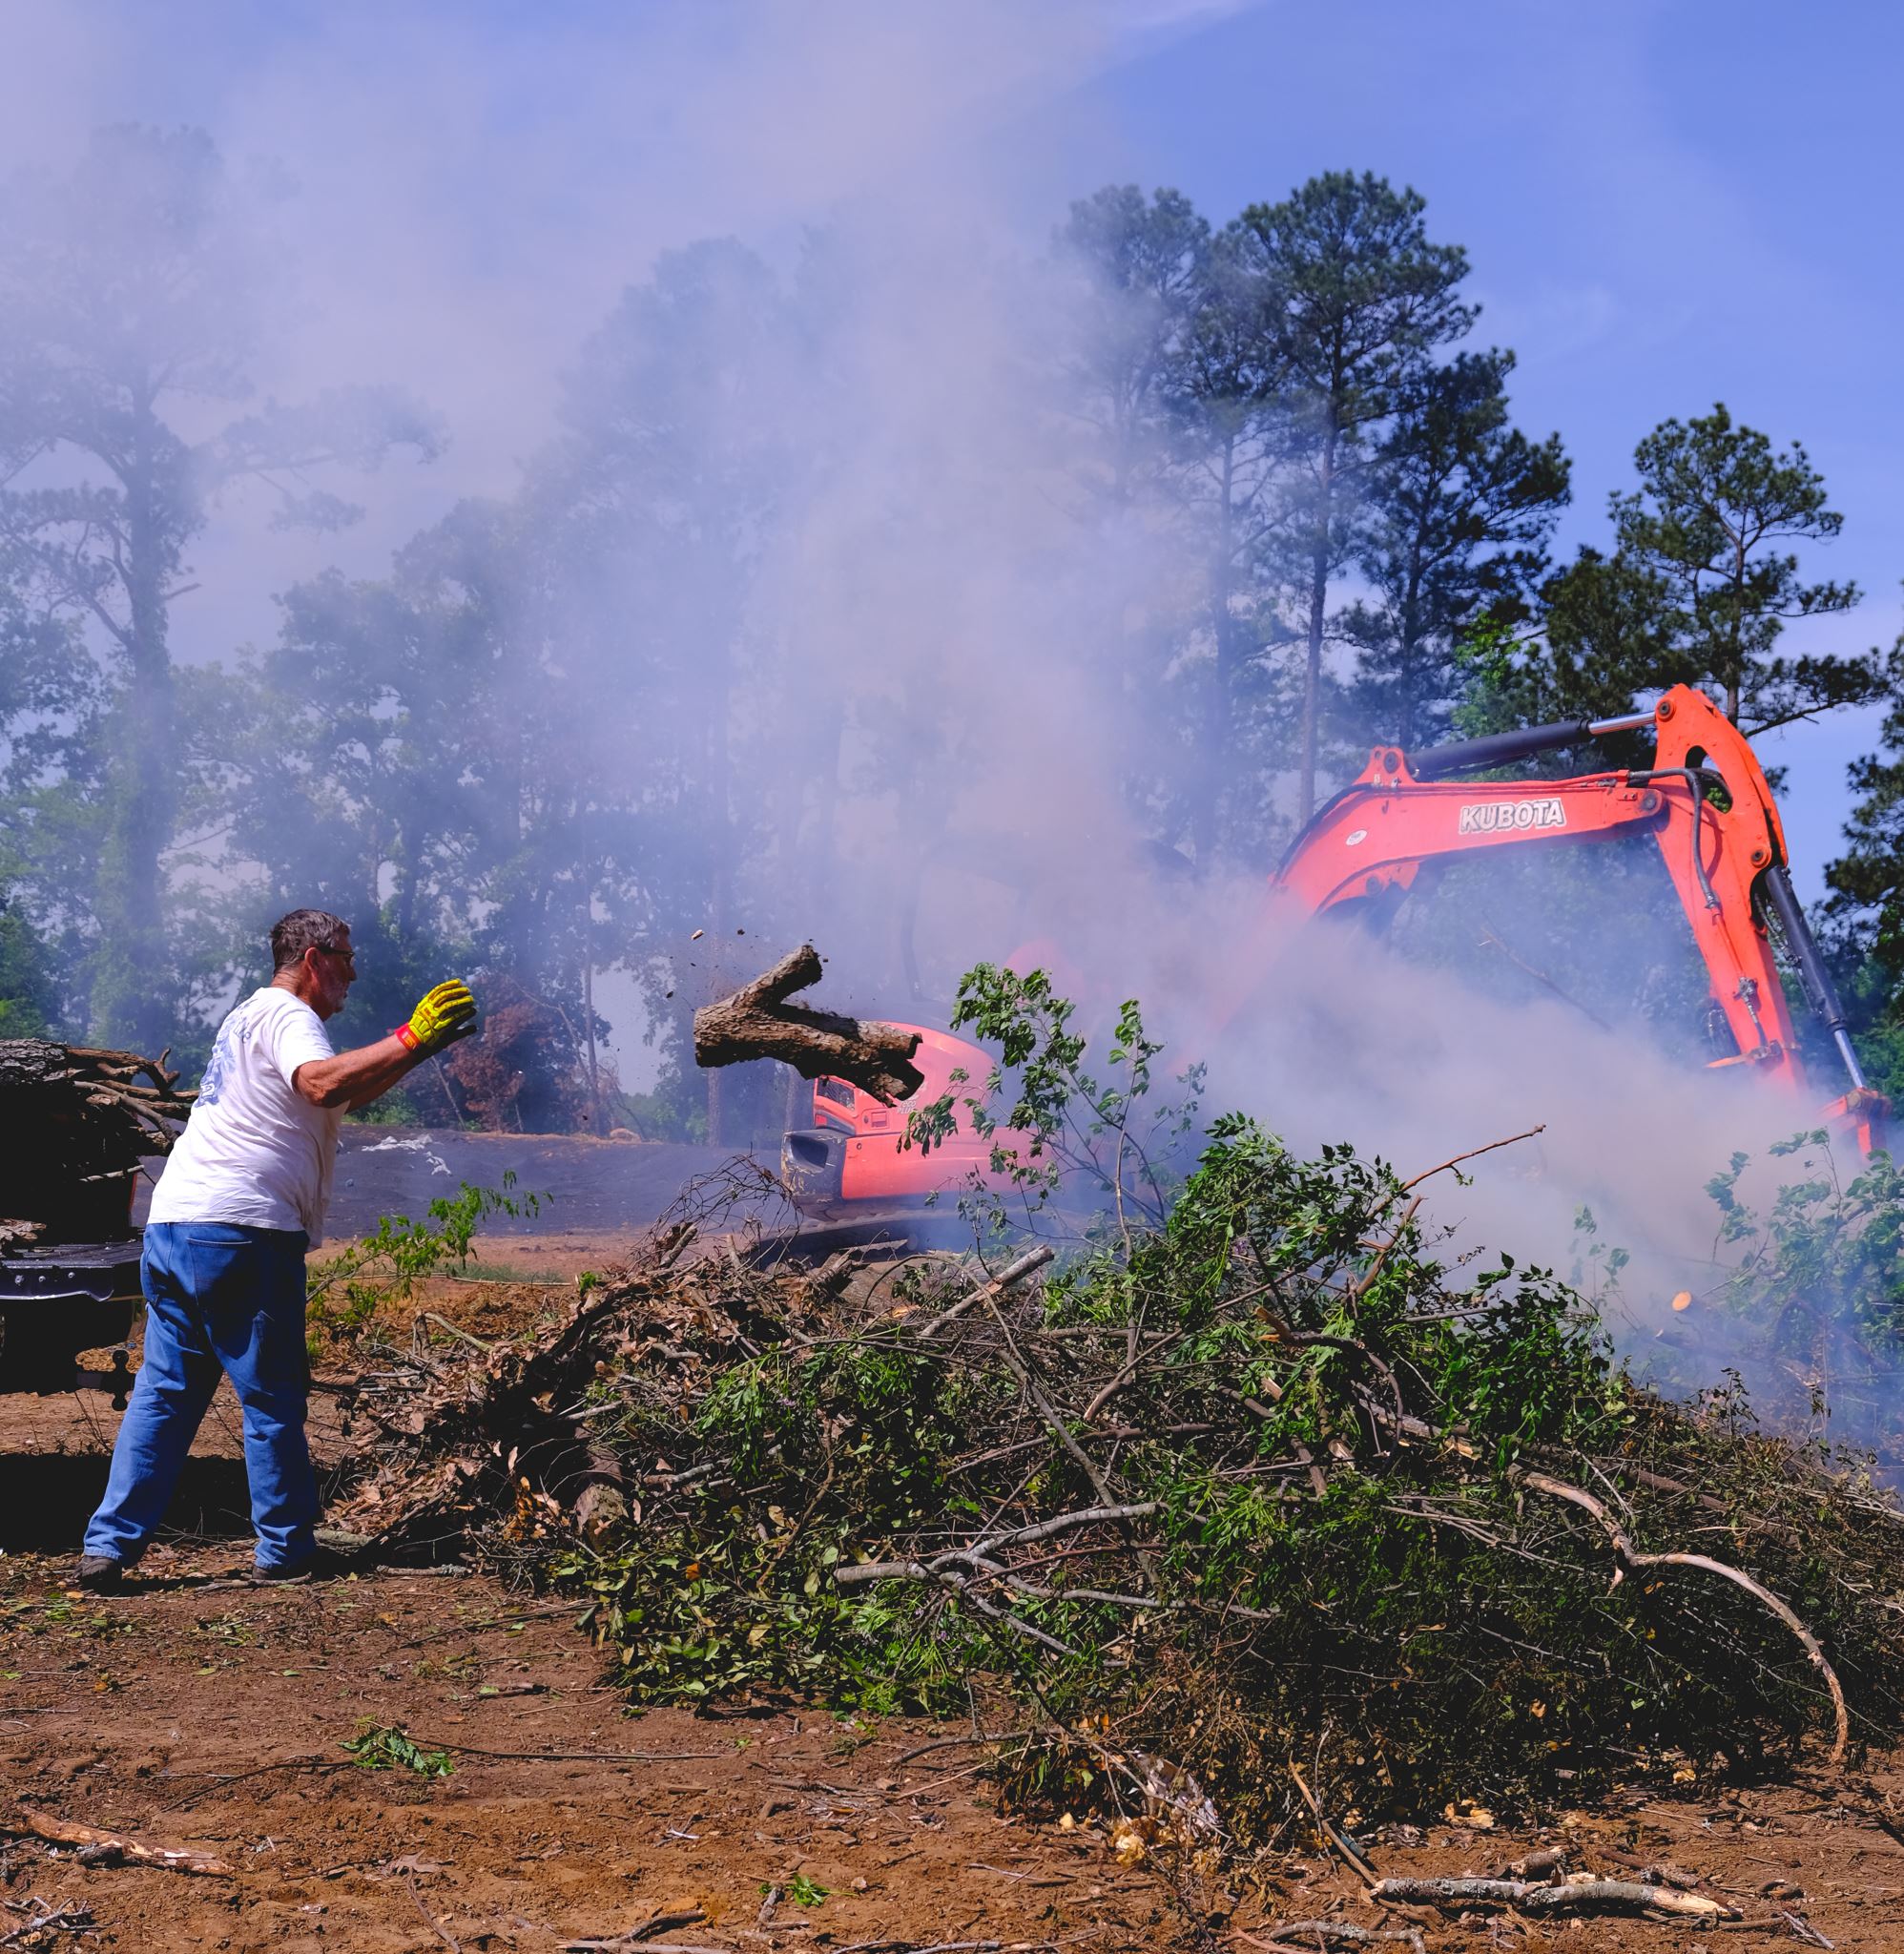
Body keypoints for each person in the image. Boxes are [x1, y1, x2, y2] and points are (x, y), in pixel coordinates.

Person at [75, 910, 478, 1590]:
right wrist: (411, 1032)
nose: (353, 970)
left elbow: (336, 1095)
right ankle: (288, 1552)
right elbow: (321, 1083)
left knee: (164, 1394)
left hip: (176, 1223)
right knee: (271, 1396)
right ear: (315, 957)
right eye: (346, 957)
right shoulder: (293, 1018)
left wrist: (416, 1049)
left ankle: (108, 1547)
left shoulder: (247, 1017)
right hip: (241, 1231)